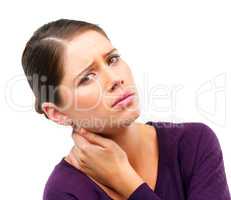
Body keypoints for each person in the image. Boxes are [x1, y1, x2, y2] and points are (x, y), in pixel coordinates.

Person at [21, 18, 230, 200]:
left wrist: (127, 182)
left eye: (112, 60)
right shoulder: (65, 191)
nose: (115, 79)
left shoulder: (194, 143)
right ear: (58, 113)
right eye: (87, 78)